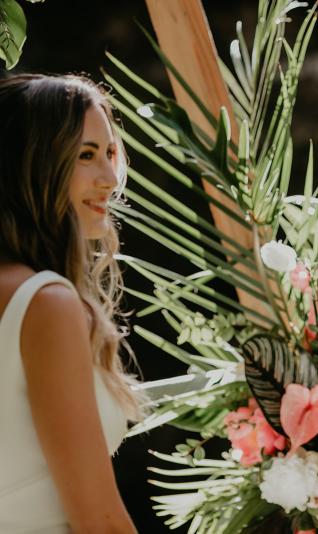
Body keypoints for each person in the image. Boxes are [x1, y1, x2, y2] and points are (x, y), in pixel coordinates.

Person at [0, 74, 142, 533]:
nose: (108, 180)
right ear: (34, 162)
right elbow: (99, 523)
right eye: (85, 155)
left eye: (109, 155)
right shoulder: (46, 303)